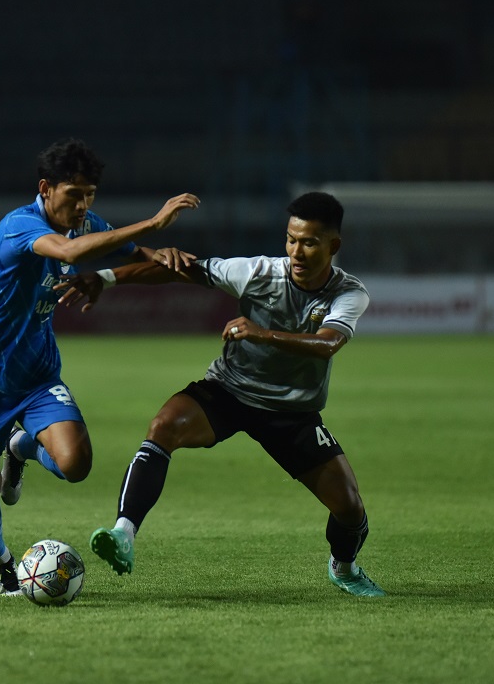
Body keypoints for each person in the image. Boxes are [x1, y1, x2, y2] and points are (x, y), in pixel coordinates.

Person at [57, 191, 385, 597]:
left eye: (310, 242)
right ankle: (124, 533)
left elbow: (328, 343)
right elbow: (180, 271)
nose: (297, 251)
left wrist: (261, 333)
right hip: (229, 391)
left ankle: (345, 567)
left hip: (292, 413)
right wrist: (105, 278)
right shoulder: (258, 272)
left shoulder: (349, 293)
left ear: (333, 246)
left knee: (350, 509)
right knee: (163, 426)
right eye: (291, 239)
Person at [0, 138, 200, 596]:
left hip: (38, 372)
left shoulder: (87, 225)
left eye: (90, 195)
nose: (83, 205)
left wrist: (166, 259)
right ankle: (2, 563)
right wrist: (154, 223)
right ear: (45, 189)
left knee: (76, 463)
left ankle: (20, 448)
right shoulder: (19, 226)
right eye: (74, 194)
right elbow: (68, 253)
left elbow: (139, 262)